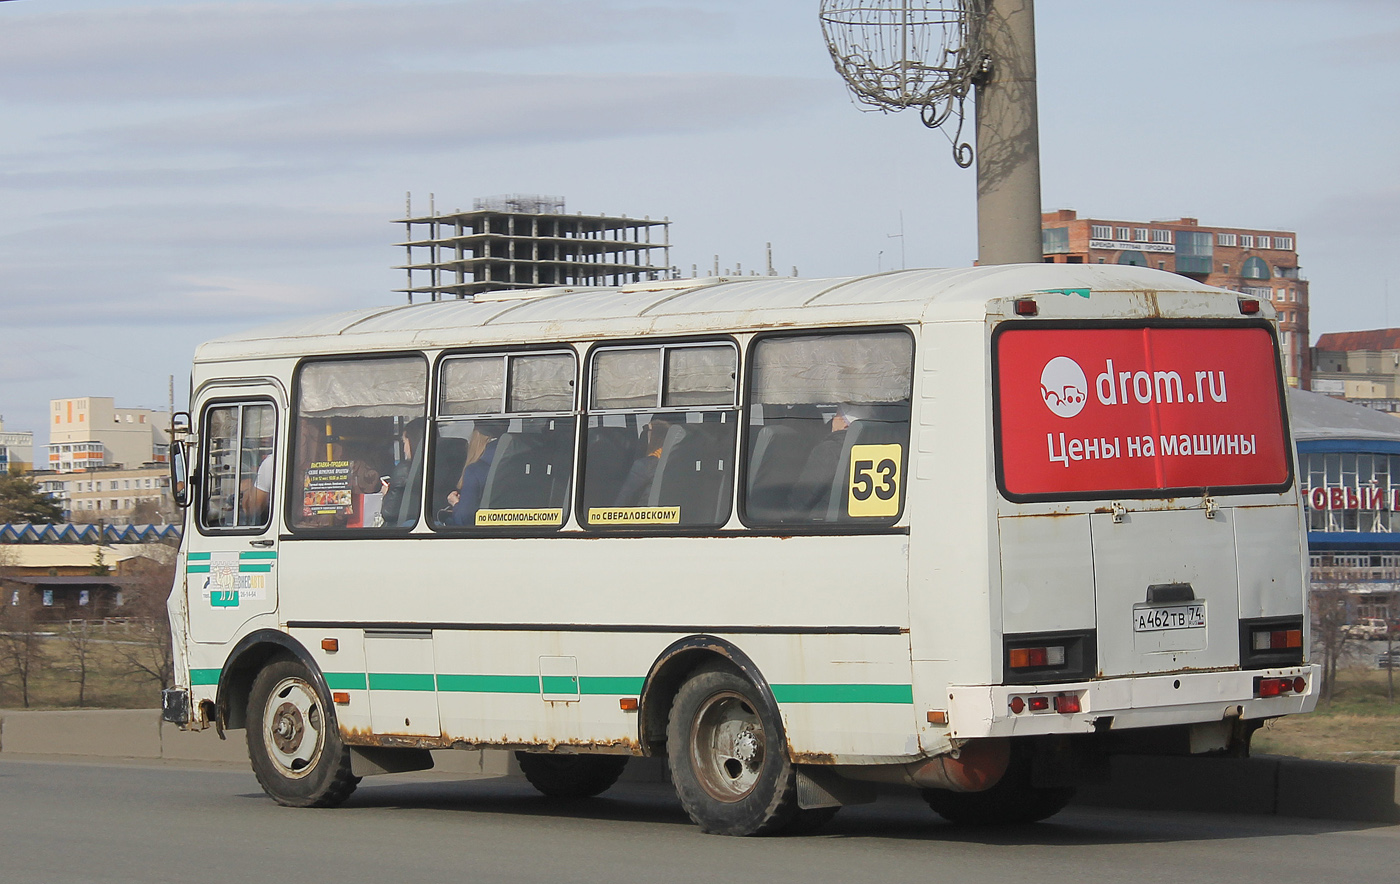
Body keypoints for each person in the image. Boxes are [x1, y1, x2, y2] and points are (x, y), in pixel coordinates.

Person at [786, 405, 854, 518]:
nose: (832, 421)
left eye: (835, 416)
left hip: (817, 522)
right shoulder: (866, 448)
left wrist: (780, 518)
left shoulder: (828, 450)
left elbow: (799, 503)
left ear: (844, 422)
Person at [446, 420, 506, 526]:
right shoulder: (514, 463)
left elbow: (464, 519)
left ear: (477, 436)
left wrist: (456, 504)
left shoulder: (475, 471)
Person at [612, 417, 676, 507]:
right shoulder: (678, 462)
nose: (643, 434)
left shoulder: (645, 465)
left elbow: (622, 502)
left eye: (646, 429)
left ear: (655, 434)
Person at [379, 418, 425, 527]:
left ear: (413, 441)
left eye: (404, 442)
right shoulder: (441, 466)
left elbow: (389, 513)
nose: (404, 449)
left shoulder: (404, 470)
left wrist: (387, 494)